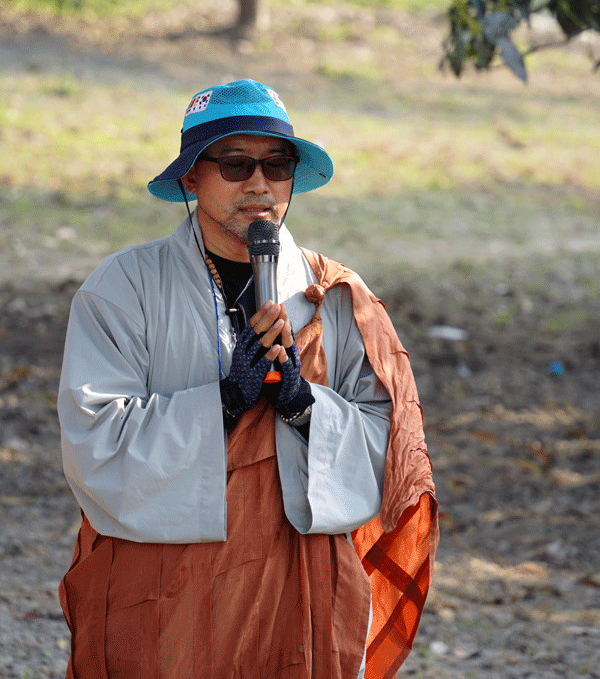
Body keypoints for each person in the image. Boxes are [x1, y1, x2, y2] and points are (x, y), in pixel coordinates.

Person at [57, 78, 438, 679]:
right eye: (235, 164)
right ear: (190, 177)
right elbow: (95, 439)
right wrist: (224, 403)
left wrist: (304, 406)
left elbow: (394, 449)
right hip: (166, 592)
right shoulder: (123, 289)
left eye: (277, 165)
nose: (259, 185)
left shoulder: (337, 297)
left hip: (301, 585)